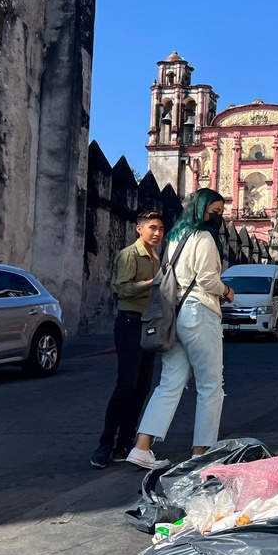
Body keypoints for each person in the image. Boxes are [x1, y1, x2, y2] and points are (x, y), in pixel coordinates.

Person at [126, 189, 233, 469]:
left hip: (175, 315)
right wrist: (228, 291)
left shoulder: (175, 237)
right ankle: (202, 453)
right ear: (201, 209)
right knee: (211, 386)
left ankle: (141, 447)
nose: (218, 218)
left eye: (221, 213)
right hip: (199, 312)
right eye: (215, 212)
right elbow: (209, 280)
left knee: (169, 384)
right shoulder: (205, 237)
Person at [89, 211, 166, 469]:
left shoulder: (157, 257)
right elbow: (121, 289)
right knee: (127, 384)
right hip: (130, 322)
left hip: (149, 326)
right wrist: (151, 283)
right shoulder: (129, 255)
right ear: (139, 229)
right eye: (152, 228)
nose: (157, 234)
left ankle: (125, 443)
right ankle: (105, 444)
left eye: (161, 230)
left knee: (143, 387)